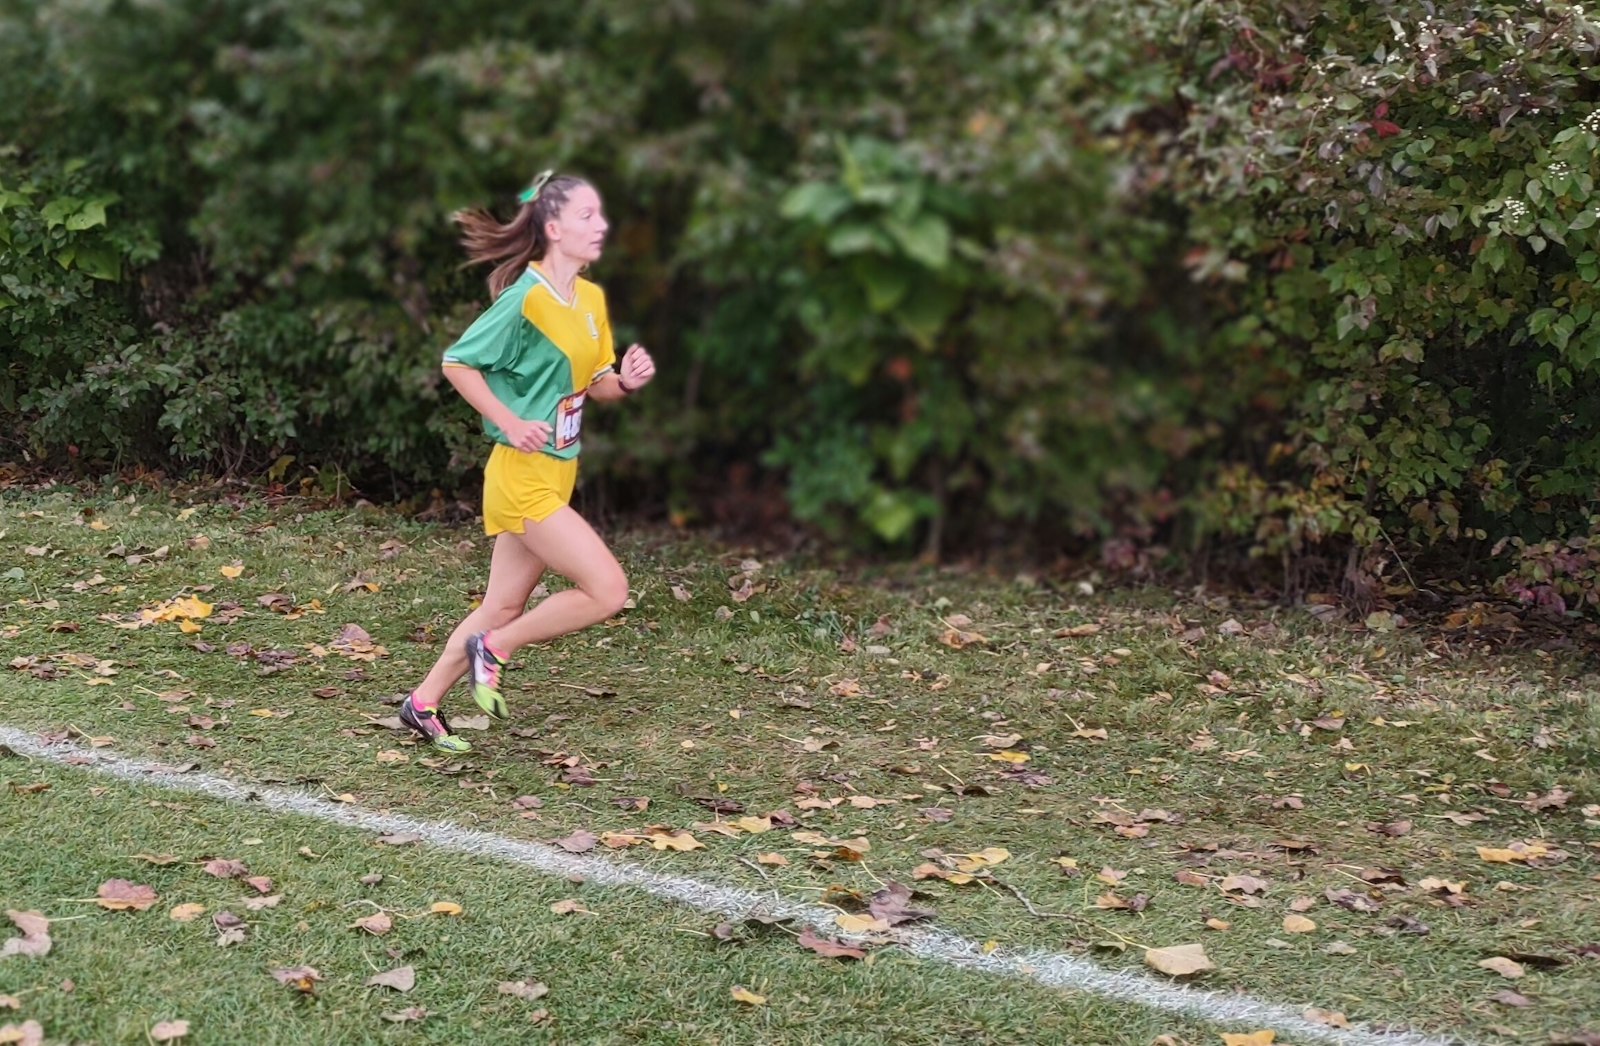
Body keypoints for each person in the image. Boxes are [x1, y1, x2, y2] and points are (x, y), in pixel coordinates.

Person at [398, 170, 656, 753]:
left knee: (503, 603)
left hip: (557, 469)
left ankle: (423, 703)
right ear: (553, 226)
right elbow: (458, 363)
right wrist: (510, 422)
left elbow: (594, 383)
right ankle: (496, 648)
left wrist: (625, 382)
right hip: (521, 475)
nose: (603, 225)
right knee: (607, 590)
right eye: (589, 215)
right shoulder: (525, 299)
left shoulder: (589, 300)